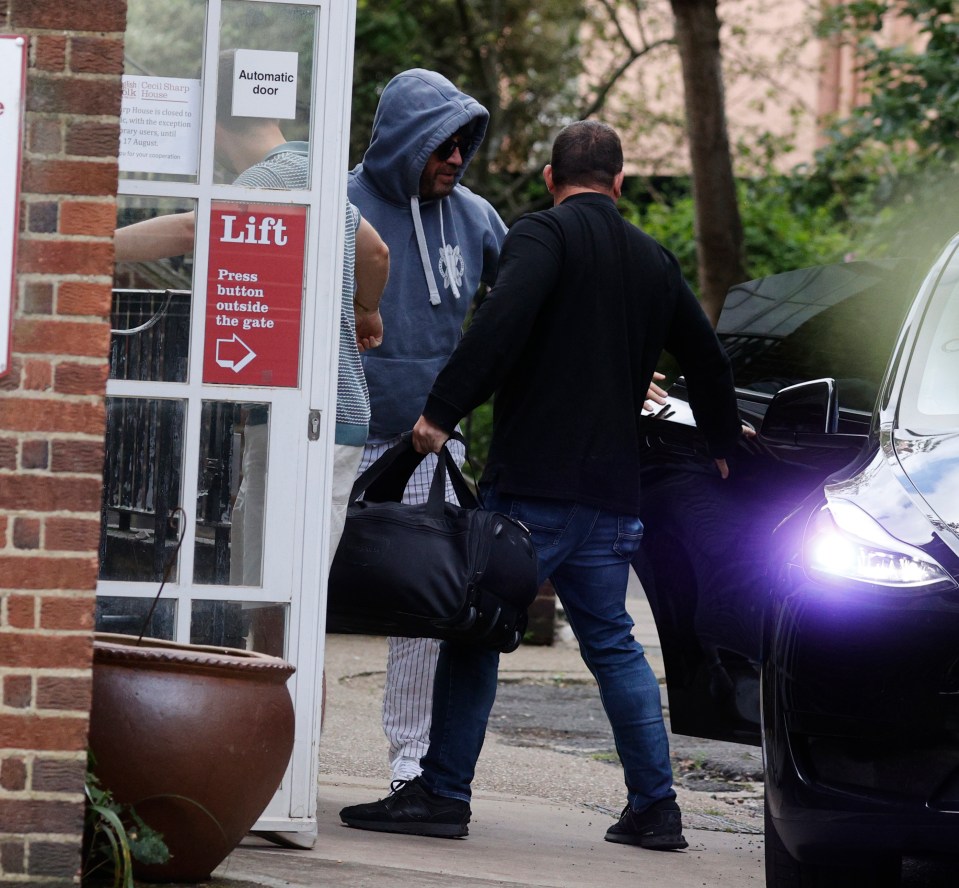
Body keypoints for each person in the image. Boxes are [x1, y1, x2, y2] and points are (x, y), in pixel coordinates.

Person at [339, 120, 752, 850]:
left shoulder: (541, 237)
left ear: (549, 179)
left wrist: (440, 411)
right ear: (619, 183)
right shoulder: (653, 259)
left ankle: (441, 794)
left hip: (533, 491)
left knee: (474, 637)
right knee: (616, 648)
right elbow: (707, 359)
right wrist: (722, 445)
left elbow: (500, 324)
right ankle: (655, 809)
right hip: (612, 497)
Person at [346, 68, 508, 785]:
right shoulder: (341, 203)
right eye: (441, 144)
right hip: (334, 433)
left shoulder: (475, 217)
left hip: (429, 443)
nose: (454, 158)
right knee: (301, 593)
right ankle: (281, 760)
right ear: (405, 142)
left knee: (422, 612)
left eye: (462, 144)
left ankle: (411, 760)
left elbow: (524, 306)